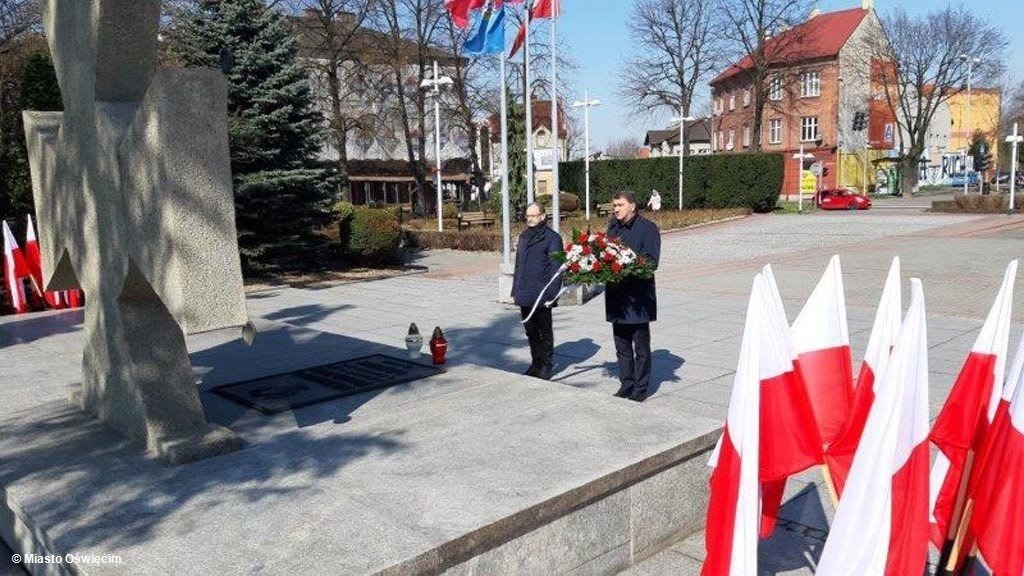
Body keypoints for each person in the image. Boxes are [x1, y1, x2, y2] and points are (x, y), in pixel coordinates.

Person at [605, 190, 661, 402]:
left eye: (620, 205)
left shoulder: (648, 229)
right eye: (615, 206)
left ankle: (641, 388)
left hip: (638, 299)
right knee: (621, 346)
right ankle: (626, 384)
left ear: (633, 206)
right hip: (616, 296)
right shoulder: (612, 227)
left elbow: (651, 262)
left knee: (641, 346)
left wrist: (626, 265)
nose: (616, 209)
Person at [511, 202, 563, 380]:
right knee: (530, 330)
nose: (530, 219)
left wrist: (552, 294)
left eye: (533, 216)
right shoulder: (524, 236)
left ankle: (546, 365)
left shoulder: (552, 238)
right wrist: (515, 289)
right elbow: (519, 265)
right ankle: (536, 363)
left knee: (544, 331)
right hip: (525, 292)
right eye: (528, 216)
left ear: (542, 216)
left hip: (543, 294)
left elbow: (557, 269)